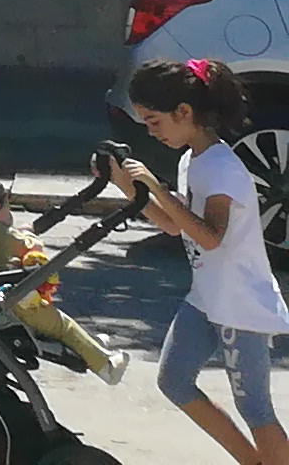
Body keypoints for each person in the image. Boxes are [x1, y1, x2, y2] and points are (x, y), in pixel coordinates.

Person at [113, 57, 289, 465]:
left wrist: (154, 186)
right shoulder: (193, 158)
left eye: (154, 121)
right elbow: (177, 228)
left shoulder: (221, 168)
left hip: (239, 306)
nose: (151, 131)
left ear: (184, 112)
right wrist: (129, 190)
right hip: (207, 297)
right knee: (174, 381)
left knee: (257, 410)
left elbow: (210, 237)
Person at [0, 173, 121, 383]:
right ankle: (105, 365)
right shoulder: (1, 235)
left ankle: (89, 345)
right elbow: (31, 248)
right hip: (12, 305)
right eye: (8, 206)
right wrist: (29, 234)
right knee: (63, 325)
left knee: (61, 326)